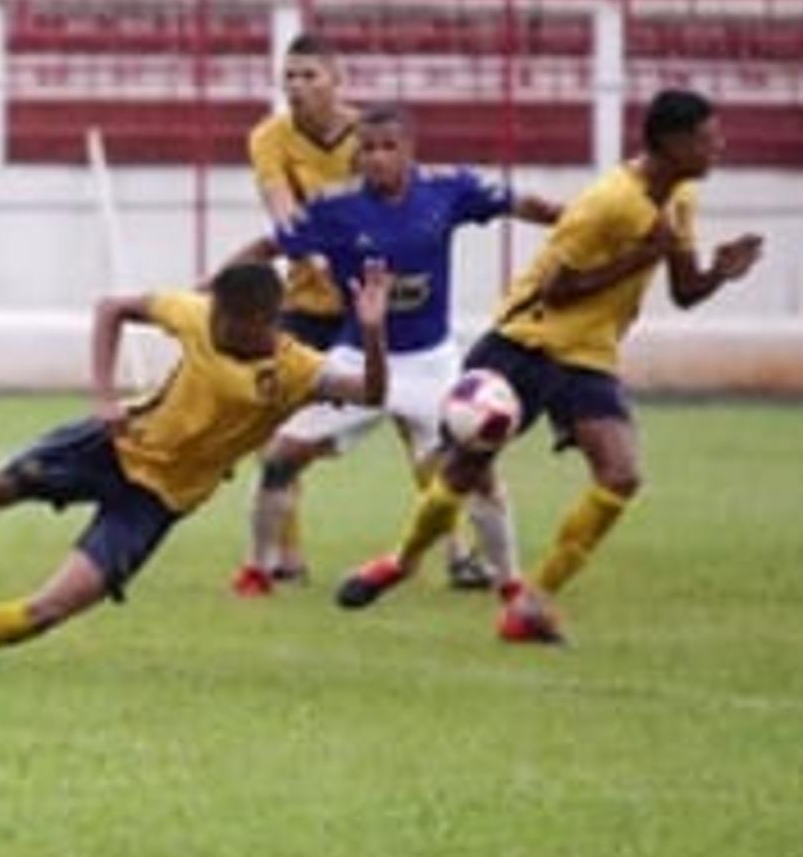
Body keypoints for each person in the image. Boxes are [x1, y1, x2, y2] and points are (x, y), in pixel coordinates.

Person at [335, 89, 765, 644]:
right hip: (526, 342)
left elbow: (684, 291)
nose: (720, 147)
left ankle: (530, 605)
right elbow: (558, 293)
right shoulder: (609, 202)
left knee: (621, 475)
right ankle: (401, 561)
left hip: (588, 357)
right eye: (708, 139)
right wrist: (641, 254)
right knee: (465, 472)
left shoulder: (679, 200)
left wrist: (718, 274)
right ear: (673, 143)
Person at [0, 260, 392, 668]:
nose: (212, 324)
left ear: (260, 321)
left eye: (227, 320)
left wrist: (371, 333)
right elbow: (113, 308)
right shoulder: (197, 316)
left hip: (158, 502)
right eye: (213, 313)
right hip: (112, 446)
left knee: (51, 608)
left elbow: (369, 393)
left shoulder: (296, 371)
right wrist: (103, 398)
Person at [226, 105, 563, 597]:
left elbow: (527, 206)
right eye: (367, 148)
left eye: (389, 147)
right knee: (280, 458)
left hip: (430, 365)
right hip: (356, 361)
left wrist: (582, 225)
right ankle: (258, 570)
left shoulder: (447, 192)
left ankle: (511, 584)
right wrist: (215, 293)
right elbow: (265, 248)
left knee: (478, 471)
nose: (377, 158)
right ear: (356, 154)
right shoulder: (334, 209)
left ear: (410, 149)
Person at [246, 37, 486, 585]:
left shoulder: (371, 135)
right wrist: (315, 255)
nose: (296, 88)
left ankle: (459, 551)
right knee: (280, 426)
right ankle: (287, 559)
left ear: (338, 78)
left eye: (308, 75)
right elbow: (283, 212)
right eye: (289, 77)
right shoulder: (269, 137)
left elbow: (409, 193)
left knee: (422, 427)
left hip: (373, 306)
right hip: (310, 303)